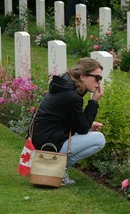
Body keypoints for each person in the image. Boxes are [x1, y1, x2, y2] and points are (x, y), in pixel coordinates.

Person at [31, 57, 106, 185]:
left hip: (43, 137)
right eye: (96, 78)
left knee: (91, 133)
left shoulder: (65, 87)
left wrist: (89, 124)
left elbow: (71, 119)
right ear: (82, 76)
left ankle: (57, 170)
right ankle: (58, 170)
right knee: (99, 139)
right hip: (49, 142)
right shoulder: (71, 95)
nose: (99, 83)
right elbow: (82, 129)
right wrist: (94, 101)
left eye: (100, 79)